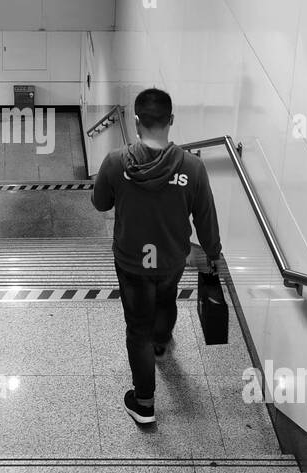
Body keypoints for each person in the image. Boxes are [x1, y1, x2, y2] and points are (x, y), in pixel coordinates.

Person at [92, 88, 222, 427]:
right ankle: (162, 343)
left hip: (131, 261)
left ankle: (145, 402)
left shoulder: (116, 161)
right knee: (166, 300)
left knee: (137, 328)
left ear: (136, 122)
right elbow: (206, 217)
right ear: (171, 121)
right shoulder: (192, 168)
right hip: (171, 258)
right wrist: (212, 254)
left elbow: (100, 203)